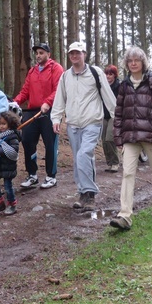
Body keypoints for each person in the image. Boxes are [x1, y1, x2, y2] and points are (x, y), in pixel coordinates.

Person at [110, 46, 152, 230]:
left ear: (143, 62)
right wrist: (118, 138)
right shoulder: (124, 86)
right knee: (128, 173)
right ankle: (125, 215)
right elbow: (119, 113)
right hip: (130, 137)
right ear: (127, 64)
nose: (133, 63)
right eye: (130, 61)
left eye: (136, 60)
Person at [50, 41, 116, 211]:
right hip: (73, 124)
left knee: (84, 155)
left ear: (84, 54)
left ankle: (90, 194)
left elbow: (107, 95)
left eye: (77, 53)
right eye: (71, 53)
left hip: (92, 121)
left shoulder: (95, 73)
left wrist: (117, 116)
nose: (74, 56)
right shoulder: (65, 76)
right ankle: (82, 193)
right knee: (79, 158)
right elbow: (59, 99)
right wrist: (56, 119)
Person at [13, 42, 64, 189]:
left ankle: (51, 176)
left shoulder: (56, 68)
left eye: (42, 52)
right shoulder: (33, 71)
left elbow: (59, 90)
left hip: (51, 112)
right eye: (37, 53)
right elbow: (25, 91)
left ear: (48, 54)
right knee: (27, 141)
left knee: (50, 144)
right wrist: (16, 102)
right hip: (32, 112)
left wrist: (48, 102)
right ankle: (32, 175)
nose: (38, 55)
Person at [102, 65, 121, 172]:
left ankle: (115, 163)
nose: (108, 76)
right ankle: (109, 162)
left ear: (114, 75)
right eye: (107, 74)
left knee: (110, 138)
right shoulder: (103, 86)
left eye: (111, 74)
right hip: (104, 115)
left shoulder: (118, 86)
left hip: (114, 115)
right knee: (104, 140)